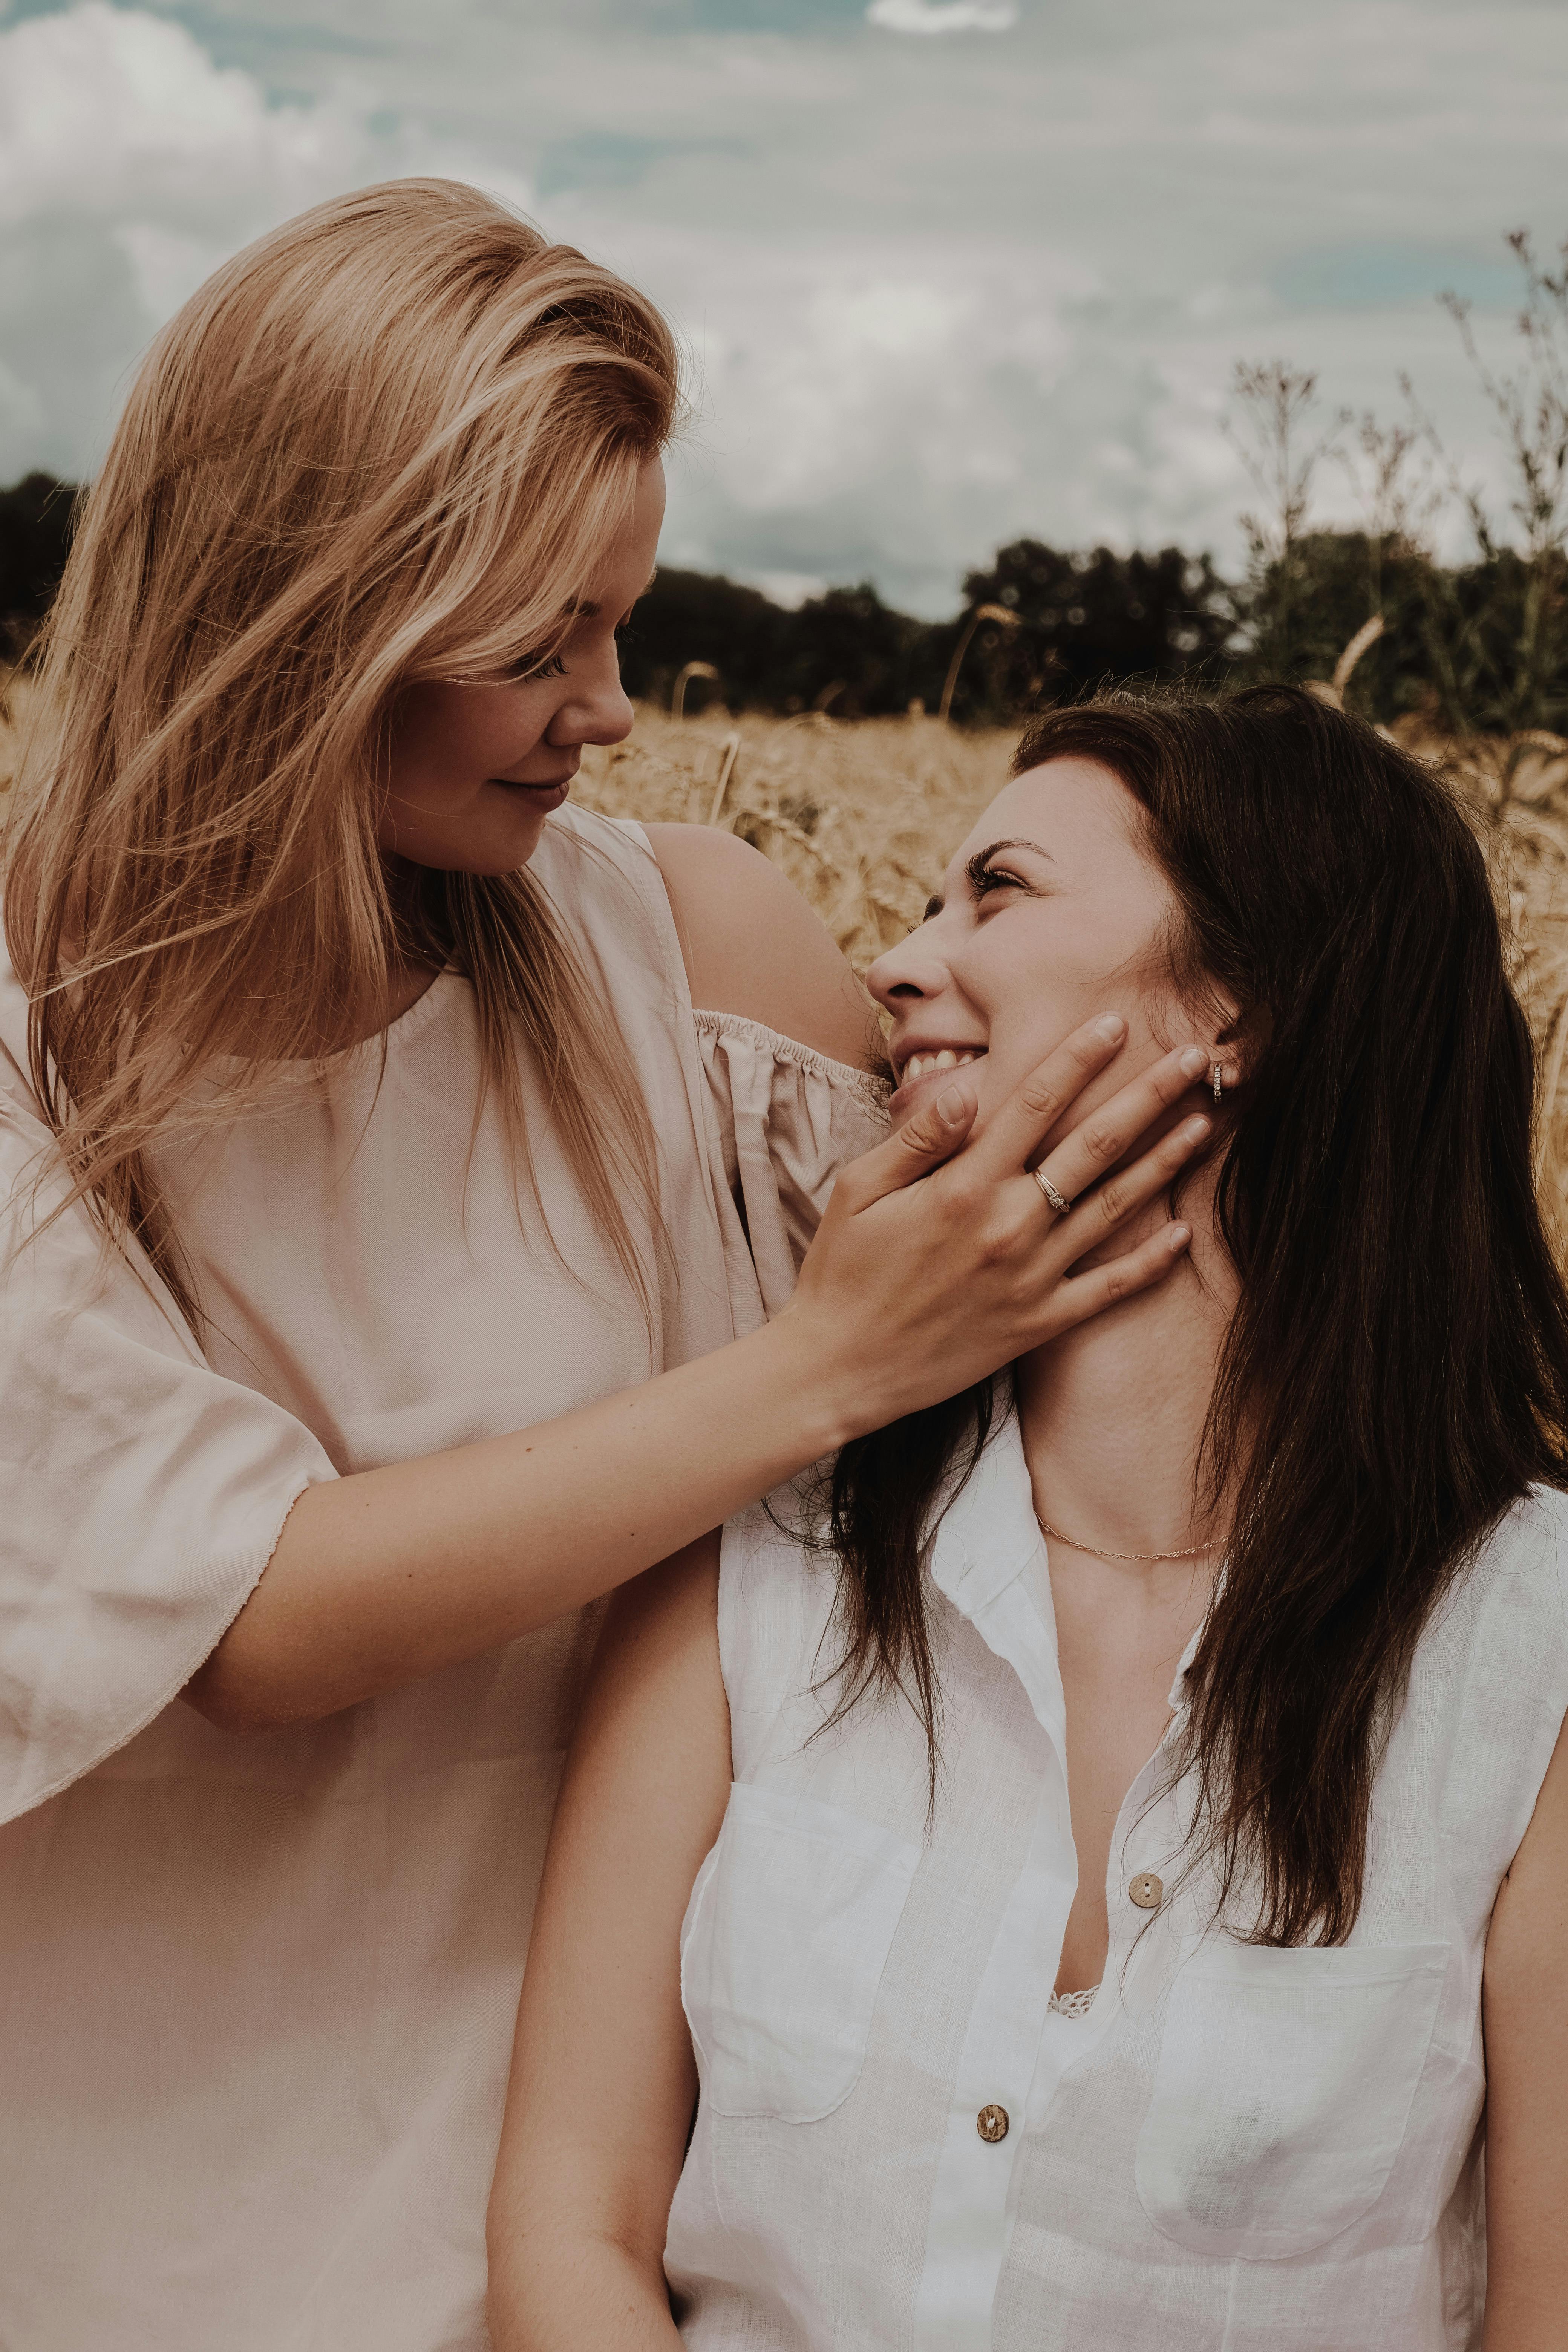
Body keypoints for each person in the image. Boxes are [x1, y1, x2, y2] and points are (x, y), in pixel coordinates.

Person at [0, 180, 1210, 2352]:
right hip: (133, 2207)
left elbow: (1055, 1370)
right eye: (538, 641)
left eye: (625, 626)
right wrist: (819, 1366)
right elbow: (254, 1616)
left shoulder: (692, 954)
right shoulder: (29, 1046)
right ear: (307, 615)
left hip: (628, 2198)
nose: (613, 708)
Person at [490, 686, 1568, 2352]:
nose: (899, 965)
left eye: (992, 893)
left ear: (1247, 1000)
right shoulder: (747, 1559)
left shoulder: (1528, 1653)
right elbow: (572, 2225)